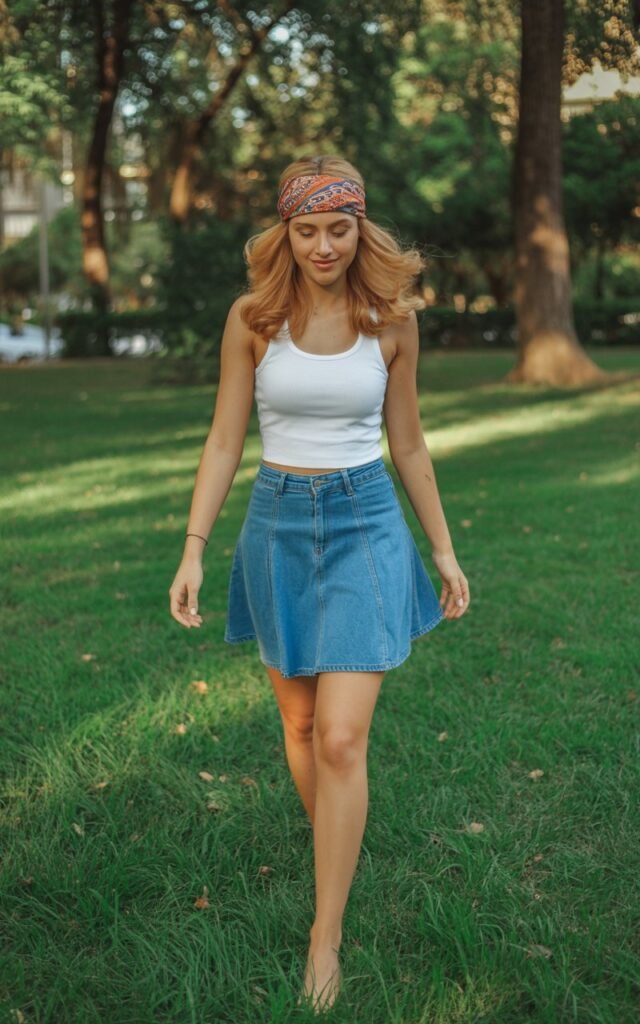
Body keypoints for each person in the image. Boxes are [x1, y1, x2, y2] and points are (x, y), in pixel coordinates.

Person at [168, 154, 470, 1013]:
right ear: (286, 233)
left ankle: (324, 933)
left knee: (341, 738)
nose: (324, 245)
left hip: (365, 521)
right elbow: (225, 440)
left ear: (360, 226)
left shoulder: (391, 322)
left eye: (339, 227)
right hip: (275, 528)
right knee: (299, 723)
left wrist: (442, 550)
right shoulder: (254, 318)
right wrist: (194, 547)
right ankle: (334, 842)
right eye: (307, 229)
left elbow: (408, 444)